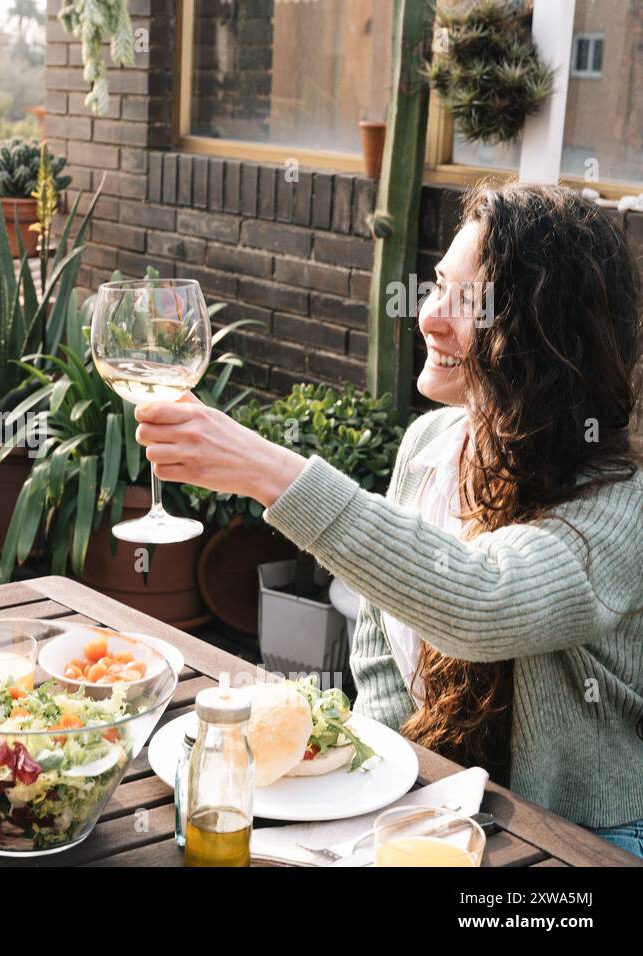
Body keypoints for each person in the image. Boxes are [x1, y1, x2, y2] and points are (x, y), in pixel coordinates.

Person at [132, 183, 643, 856]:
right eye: (438, 287)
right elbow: (378, 642)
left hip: (583, 840)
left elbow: (481, 600)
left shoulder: (618, 502)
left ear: (551, 333)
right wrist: (376, 796)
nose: (430, 317)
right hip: (437, 806)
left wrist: (268, 472)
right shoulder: (428, 448)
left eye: (470, 302)